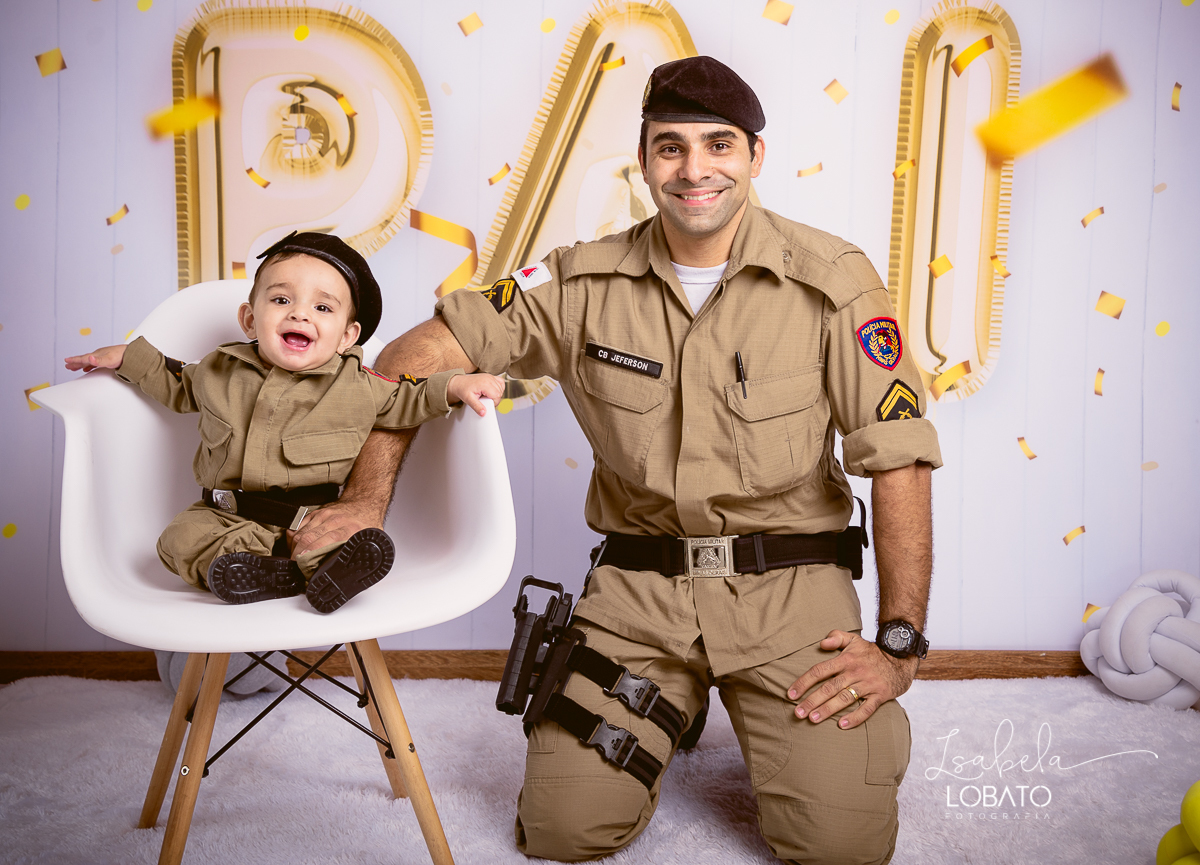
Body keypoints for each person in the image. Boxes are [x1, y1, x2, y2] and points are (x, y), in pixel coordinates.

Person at [295, 57, 941, 863]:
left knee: (841, 846)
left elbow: (900, 457)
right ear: (644, 161)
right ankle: (678, 703)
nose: (695, 168)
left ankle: (818, 743)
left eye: (719, 144)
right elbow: (408, 355)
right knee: (564, 832)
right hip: (640, 598)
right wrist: (366, 501)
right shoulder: (577, 279)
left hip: (791, 596)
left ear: (756, 156)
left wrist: (901, 643)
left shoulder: (833, 281)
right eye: (670, 147)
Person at [65, 231, 504, 613]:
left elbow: (408, 397)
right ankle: (265, 572)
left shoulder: (358, 385)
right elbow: (175, 381)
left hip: (311, 518)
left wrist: (455, 386)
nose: (300, 314)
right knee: (177, 541)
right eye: (281, 300)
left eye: (323, 308)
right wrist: (128, 357)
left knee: (330, 544)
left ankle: (331, 569)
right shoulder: (219, 370)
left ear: (347, 336)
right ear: (250, 319)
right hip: (226, 518)